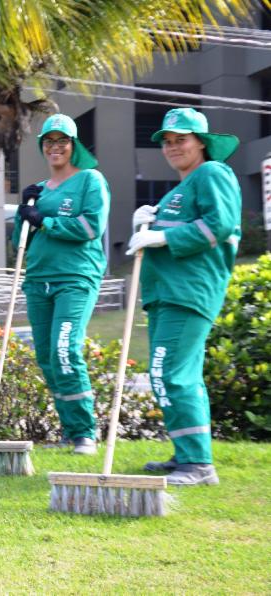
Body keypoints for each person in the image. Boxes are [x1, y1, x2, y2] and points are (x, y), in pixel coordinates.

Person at [126, 107, 241, 486]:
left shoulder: (212, 173)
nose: (173, 147)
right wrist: (148, 220)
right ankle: (187, 454)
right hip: (166, 295)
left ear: (201, 143)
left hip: (189, 293)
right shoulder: (181, 189)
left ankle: (199, 464)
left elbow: (220, 224)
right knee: (179, 375)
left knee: (167, 373)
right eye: (168, 141)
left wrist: (162, 236)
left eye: (182, 139)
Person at [13, 114, 111, 455]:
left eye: (62, 141)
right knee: (47, 357)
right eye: (49, 142)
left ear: (74, 145)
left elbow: (90, 227)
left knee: (65, 351)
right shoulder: (39, 190)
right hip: (38, 278)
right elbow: (20, 239)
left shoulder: (89, 181)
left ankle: (85, 432)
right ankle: (70, 430)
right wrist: (25, 209)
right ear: (43, 147)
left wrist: (46, 220)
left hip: (75, 277)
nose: (56, 147)